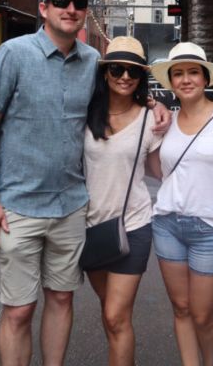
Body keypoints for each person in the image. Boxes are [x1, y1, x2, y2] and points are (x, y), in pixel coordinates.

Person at [0, 0, 169, 366]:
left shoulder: (95, 63)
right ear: (44, 8)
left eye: (79, 3)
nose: (71, 9)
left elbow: (122, 91)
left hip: (72, 210)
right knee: (19, 310)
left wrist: (153, 105)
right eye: (61, 1)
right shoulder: (14, 54)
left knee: (61, 298)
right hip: (18, 208)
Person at [148, 42, 213, 366]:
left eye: (193, 72)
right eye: (178, 74)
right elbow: (158, 169)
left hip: (211, 227)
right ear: (170, 81)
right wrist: (151, 101)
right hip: (168, 222)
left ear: (205, 78)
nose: (186, 80)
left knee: (203, 314)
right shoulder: (164, 120)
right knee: (181, 308)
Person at [83, 36, 162, 366]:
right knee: (110, 312)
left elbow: (163, 171)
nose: (125, 76)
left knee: (116, 315)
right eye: (117, 68)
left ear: (141, 77)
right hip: (90, 229)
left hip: (134, 227)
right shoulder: (84, 115)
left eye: (133, 71)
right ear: (105, 73)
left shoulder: (151, 120)